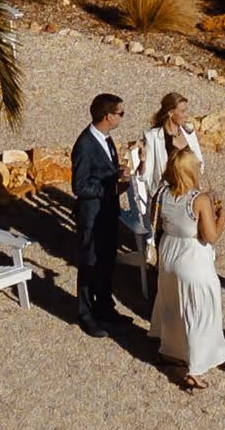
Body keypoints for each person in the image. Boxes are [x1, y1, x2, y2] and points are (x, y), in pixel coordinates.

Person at [148, 148, 225, 390]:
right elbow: (210, 236)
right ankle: (194, 367)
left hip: (169, 255)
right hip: (192, 258)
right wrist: (221, 216)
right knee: (199, 311)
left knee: (172, 305)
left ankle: (169, 350)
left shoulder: (162, 192)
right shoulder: (199, 200)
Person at [72, 93, 129, 337]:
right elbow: (80, 186)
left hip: (107, 213)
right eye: (120, 113)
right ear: (108, 116)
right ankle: (85, 314)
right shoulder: (85, 145)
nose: (121, 117)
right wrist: (111, 189)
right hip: (92, 217)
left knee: (106, 261)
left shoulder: (106, 139)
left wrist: (119, 173)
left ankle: (105, 307)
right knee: (89, 264)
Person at [135, 92, 205, 227]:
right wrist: (143, 161)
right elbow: (145, 175)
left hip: (190, 192)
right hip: (167, 194)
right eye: (182, 111)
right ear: (170, 113)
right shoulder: (153, 137)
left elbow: (200, 163)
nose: (186, 115)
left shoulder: (189, 132)